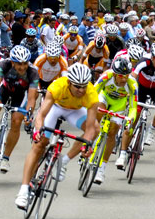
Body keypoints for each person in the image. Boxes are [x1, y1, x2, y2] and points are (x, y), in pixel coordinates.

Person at [15, 63, 99, 210]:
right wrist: (38, 131)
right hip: (55, 108)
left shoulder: (92, 95)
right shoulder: (57, 87)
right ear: (69, 82)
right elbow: (41, 115)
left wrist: (86, 144)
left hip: (75, 111)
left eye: (84, 86)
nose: (81, 90)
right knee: (39, 144)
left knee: (96, 129)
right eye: (77, 86)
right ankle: (23, 190)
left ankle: (64, 161)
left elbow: (91, 127)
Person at [0, 46, 38, 173]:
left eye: (25, 64)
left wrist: (29, 114)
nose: (22, 67)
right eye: (19, 64)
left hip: (21, 95)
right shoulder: (4, 64)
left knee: (17, 121)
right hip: (5, 89)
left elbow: (32, 97)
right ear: (12, 62)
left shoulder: (33, 72)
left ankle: (5, 158)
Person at [94, 57, 138, 181]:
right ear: (114, 74)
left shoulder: (132, 84)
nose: (124, 79)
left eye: (126, 76)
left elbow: (133, 107)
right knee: (97, 112)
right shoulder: (106, 76)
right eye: (120, 76)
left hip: (119, 105)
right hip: (104, 98)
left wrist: (130, 119)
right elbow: (93, 91)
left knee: (112, 132)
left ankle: (102, 168)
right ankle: (90, 140)